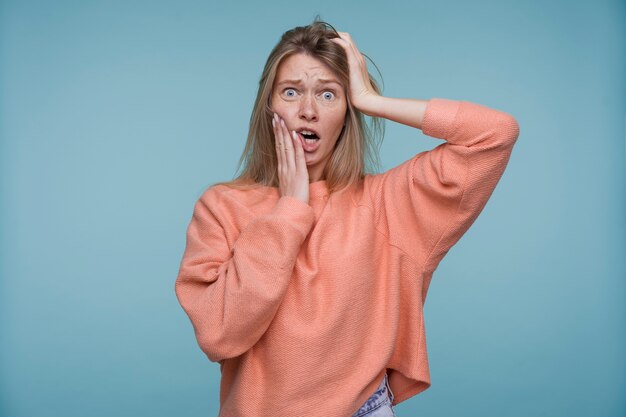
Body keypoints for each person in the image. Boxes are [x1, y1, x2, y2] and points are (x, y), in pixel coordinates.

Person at [174, 19, 520, 417]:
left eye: (327, 95)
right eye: (291, 92)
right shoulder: (222, 207)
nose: (307, 111)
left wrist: (371, 100)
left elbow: (495, 134)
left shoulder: (388, 205)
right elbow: (220, 334)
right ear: (268, 106)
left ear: (346, 112)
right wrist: (290, 209)